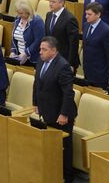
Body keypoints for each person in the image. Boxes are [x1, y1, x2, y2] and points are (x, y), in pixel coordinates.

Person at [33, 36, 77, 183]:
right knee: (52, 145)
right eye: (40, 49)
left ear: (53, 50)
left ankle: (68, 176)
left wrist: (64, 114)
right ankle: (54, 173)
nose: (40, 52)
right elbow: (37, 83)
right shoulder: (41, 61)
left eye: (44, 49)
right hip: (46, 110)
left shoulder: (62, 66)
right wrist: (35, 103)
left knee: (64, 146)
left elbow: (68, 93)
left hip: (61, 114)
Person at [45, 0, 80, 71]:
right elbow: (47, 37)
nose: (50, 4)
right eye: (50, 1)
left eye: (53, 2)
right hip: (50, 58)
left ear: (61, 3)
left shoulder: (70, 19)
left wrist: (70, 64)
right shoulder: (49, 15)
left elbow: (73, 44)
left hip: (64, 60)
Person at [82, 2, 109, 87]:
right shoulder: (86, 26)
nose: (86, 16)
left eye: (89, 14)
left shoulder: (106, 31)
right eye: (86, 14)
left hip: (100, 74)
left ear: (98, 14)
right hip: (87, 70)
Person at [10, 0, 44, 66]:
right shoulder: (17, 19)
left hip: (32, 58)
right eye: (18, 12)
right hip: (19, 56)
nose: (19, 15)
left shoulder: (37, 21)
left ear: (28, 11)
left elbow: (39, 41)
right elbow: (14, 37)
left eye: (21, 13)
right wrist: (13, 52)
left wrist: (26, 53)